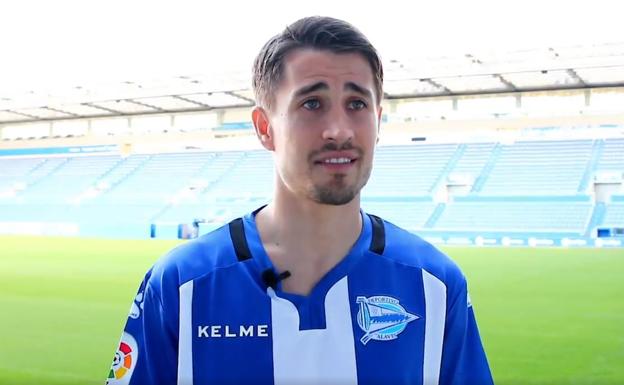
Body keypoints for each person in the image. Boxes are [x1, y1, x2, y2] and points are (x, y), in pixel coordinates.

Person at [106, 16, 494, 385]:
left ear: (377, 120)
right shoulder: (181, 285)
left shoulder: (436, 285)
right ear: (264, 128)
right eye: (312, 104)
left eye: (357, 104)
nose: (339, 130)